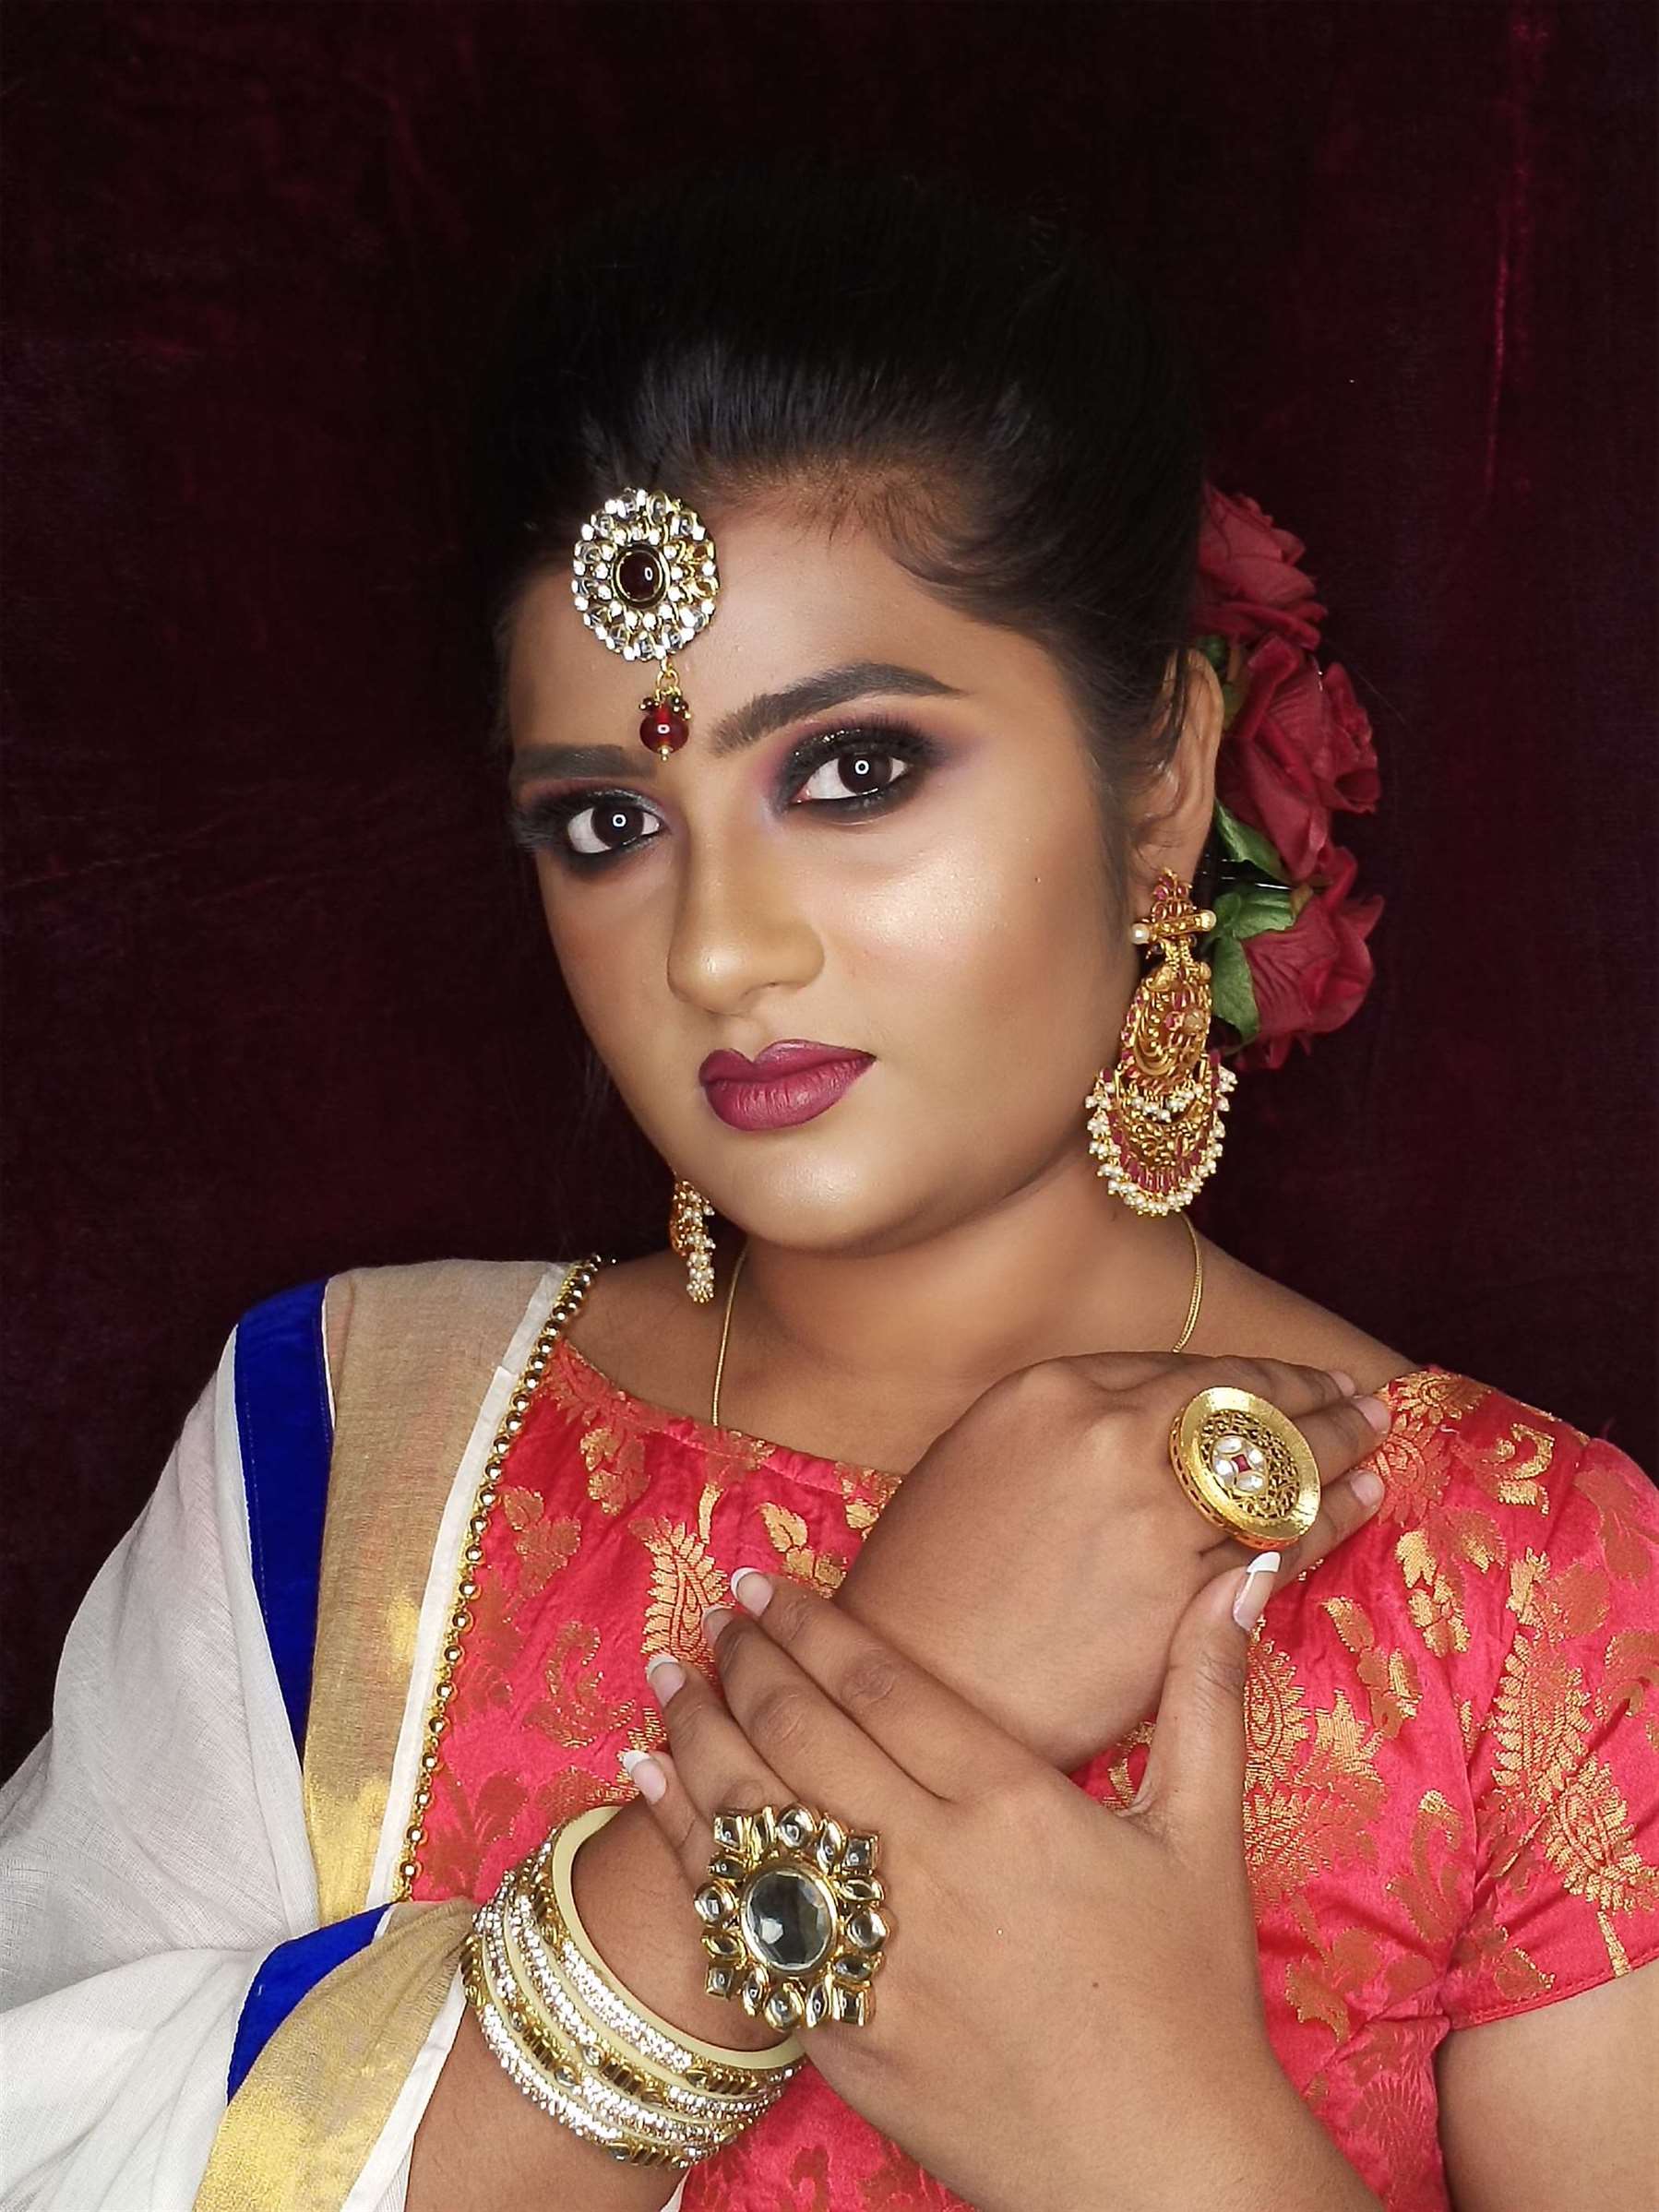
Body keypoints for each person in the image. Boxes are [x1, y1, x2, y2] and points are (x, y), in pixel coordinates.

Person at [2, 166, 1654, 2212]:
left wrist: (1156, 2137)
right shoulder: (340, 1444)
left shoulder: (1521, 1587)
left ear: (1159, 777)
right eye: (606, 821)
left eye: (852, 771)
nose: (716, 949)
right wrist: (872, 1717)